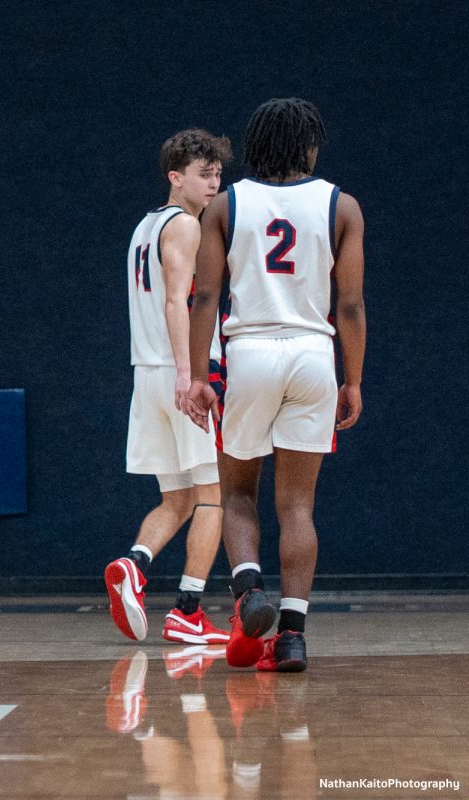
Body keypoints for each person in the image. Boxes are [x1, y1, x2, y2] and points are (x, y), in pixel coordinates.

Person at [185, 98, 366, 672]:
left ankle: (248, 593)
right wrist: (353, 379)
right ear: (308, 145)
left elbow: (206, 298)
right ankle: (292, 636)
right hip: (315, 354)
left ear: (257, 145)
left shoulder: (226, 205)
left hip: (252, 353)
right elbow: (352, 304)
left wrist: (196, 377)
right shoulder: (342, 205)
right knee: (298, 505)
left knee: (237, 493)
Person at [106, 130, 232, 646]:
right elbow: (177, 301)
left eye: (219, 174)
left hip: (147, 373)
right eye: (204, 174)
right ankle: (187, 609)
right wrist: (191, 374)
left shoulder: (144, 226)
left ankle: (132, 564)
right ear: (174, 177)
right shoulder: (183, 226)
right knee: (214, 496)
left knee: (177, 498)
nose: (214, 183)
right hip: (180, 373)